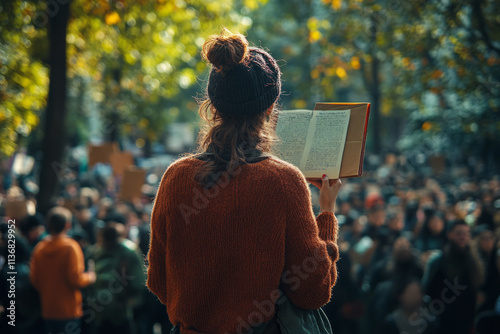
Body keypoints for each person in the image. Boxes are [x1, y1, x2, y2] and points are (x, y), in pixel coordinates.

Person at [146, 28, 341, 334]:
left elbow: (158, 282)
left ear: (212, 107)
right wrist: (326, 215)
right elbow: (313, 292)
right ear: (269, 109)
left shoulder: (175, 178)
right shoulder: (285, 182)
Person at [29, 206, 96, 334]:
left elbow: (34, 279)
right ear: (68, 225)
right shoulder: (71, 247)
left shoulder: (39, 248)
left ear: (48, 224)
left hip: (47, 309)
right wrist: (90, 276)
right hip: (69, 310)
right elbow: (76, 280)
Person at [422, 220, 484, 334]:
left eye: (466, 233)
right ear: (450, 234)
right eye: (459, 233)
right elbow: (427, 290)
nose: (463, 237)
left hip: (467, 322)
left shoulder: (473, 261)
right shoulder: (438, 261)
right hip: (443, 323)